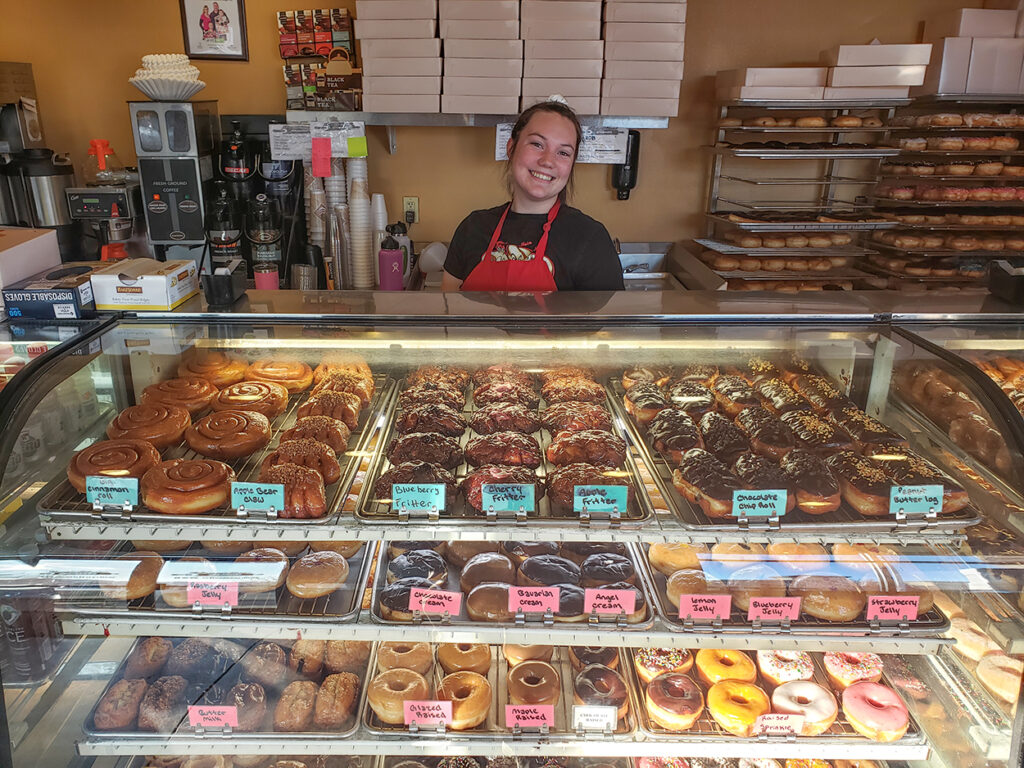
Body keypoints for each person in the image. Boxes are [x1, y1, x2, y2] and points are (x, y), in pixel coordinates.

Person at [442, 100, 624, 292]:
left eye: (563, 152)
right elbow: (448, 312)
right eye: (537, 144)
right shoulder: (473, 228)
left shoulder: (590, 239)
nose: (547, 161)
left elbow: (606, 321)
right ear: (511, 148)